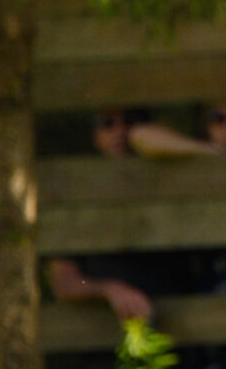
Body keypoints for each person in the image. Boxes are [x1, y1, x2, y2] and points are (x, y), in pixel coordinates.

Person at [45, 108, 155, 322]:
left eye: (131, 121)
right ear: (95, 137)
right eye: (107, 123)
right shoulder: (77, 198)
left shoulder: (170, 186)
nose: (120, 132)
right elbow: (63, 282)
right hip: (102, 341)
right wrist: (108, 289)